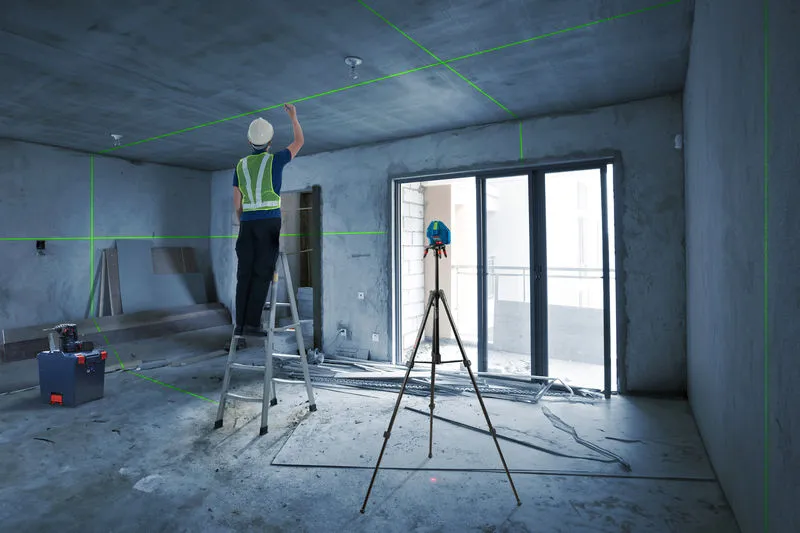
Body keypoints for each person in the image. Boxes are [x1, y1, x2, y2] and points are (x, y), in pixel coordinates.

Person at [232, 103, 304, 336]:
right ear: (270, 143)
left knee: (244, 274)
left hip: (247, 224)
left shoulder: (240, 165)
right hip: (268, 224)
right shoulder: (276, 160)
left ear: (248, 142)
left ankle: (239, 327)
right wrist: (293, 118)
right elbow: (299, 142)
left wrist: (244, 221)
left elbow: (237, 204)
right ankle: (252, 324)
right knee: (262, 272)